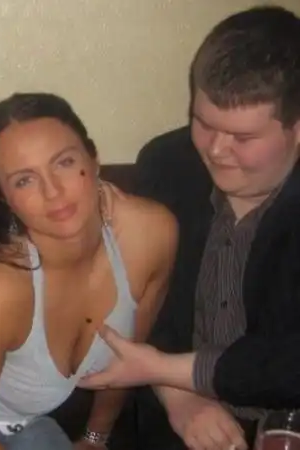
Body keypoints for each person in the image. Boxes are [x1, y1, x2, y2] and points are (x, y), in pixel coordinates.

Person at [0, 92, 175, 450]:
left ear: (94, 159)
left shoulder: (150, 235)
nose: (53, 191)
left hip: (26, 430)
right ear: (4, 197)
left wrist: (95, 437)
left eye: (65, 162)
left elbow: (129, 360)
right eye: (24, 180)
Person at [80, 6, 300, 450]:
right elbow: (135, 299)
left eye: (242, 137)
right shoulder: (166, 165)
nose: (215, 150)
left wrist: (170, 371)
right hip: (170, 418)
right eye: (202, 122)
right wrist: (177, 395)